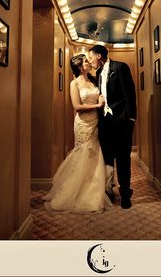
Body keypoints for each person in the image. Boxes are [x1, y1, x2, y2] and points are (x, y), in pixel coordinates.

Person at [42, 54, 112, 213]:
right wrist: (98, 105)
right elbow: (77, 106)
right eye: (86, 61)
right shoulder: (74, 84)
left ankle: (92, 190)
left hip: (96, 122)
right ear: (80, 66)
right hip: (82, 123)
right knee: (82, 155)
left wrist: (102, 99)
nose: (89, 62)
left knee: (94, 155)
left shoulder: (94, 80)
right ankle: (73, 192)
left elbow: (101, 96)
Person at [89, 45, 137, 209]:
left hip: (122, 121)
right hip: (105, 122)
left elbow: (129, 93)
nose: (90, 61)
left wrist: (130, 118)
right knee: (107, 158)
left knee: (123, 159)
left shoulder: (120, 67)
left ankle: (125, 194)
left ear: (99, 56)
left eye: (91, 58)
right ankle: (109, 190)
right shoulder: (98, 74)